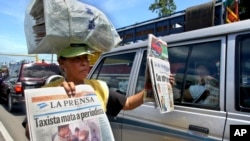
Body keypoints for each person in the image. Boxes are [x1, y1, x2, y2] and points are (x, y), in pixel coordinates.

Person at [23, 45, 176, 140]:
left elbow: (127, 103)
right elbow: (30, 134)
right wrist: (58, 101)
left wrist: (151, 90)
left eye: (86, 58)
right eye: (77, 59)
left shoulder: (98, 87)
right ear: (62, 63)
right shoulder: (48, 91)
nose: (84, 63)